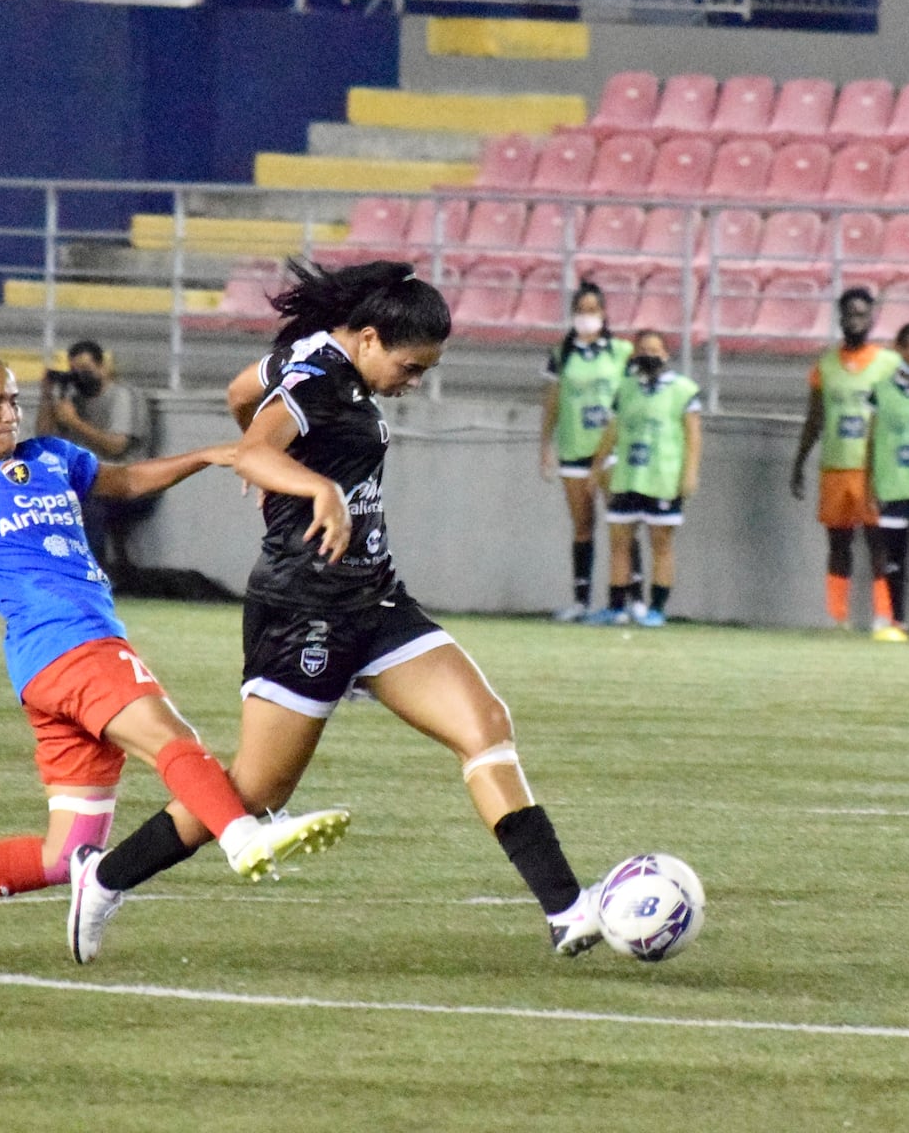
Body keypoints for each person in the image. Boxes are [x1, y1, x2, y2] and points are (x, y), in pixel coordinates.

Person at [66, 259, 604, 965]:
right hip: (303, 609)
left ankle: (566, 909)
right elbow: (252, 448)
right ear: (371, 339)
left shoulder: (316, 355)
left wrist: (287, 475)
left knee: (486, 726)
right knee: (254, 792)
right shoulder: (316, 378)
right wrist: (308, 487)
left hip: (375, 598)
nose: (414, 383)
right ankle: (104, 878)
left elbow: (239, 393)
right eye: (410, 368)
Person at [0, 347, 348, 957]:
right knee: (170, 738)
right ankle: (244, 837)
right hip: (69, 644)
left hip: (50, 668)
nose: (9, 414)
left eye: (14, 401)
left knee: (64, 855)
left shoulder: (50, 457)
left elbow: (126, 481)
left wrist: (207, 456)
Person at [791, 288, 904, 638]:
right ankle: (837, 617)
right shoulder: (825, 365)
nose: (855, 321)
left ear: (872, 319)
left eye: (861, 315)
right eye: (849, 314)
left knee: (878, 542)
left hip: (873, 469)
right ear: (840, 318)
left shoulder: (889, 364)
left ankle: (885, 617)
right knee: (838, 544)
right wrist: (799, 461)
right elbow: (815, 417)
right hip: (835, 466)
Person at [584, 329, 702, 628]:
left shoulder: (682, 390)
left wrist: (689, 473)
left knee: (661, 543)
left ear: (665, 354)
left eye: (655, 349)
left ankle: (657, 608)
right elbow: (612, 430)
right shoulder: (626, 388)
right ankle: (616, 606)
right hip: (628, 475)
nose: (649, 355)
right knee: (619, 541)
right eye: (643, 349)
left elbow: (693, 437)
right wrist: (597, 467)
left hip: (662, 476)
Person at [539, 281, 642, 623]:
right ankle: (581, 600)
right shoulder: (562, 354)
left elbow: (632, 397)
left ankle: (632, 599)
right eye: (581, 311)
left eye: (593, 310)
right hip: (574, 448)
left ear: (604, 313)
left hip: (611, 449)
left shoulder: (621, 352)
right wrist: (545, 445)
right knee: (583, 526)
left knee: (621, 523)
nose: (587, 317)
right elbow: (552, 402)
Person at [36, 339, 155, 586]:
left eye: (86, 370)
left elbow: (117, 446)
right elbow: (44, 438)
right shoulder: (75, 398)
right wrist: (48, 397)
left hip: (131, 483)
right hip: (92, 482)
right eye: (75, 371)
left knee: (89, 507)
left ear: (103, 367)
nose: (81, 377)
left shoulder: (123, 396)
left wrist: (75, 422)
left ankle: (94, 578)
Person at [865, 322, 909, 638]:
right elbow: (870, 440)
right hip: (892, 485)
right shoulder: (880, 390)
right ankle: (896, 620)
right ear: (898, 348)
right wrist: (868, 483)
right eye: (908, 346)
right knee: (893, 558)